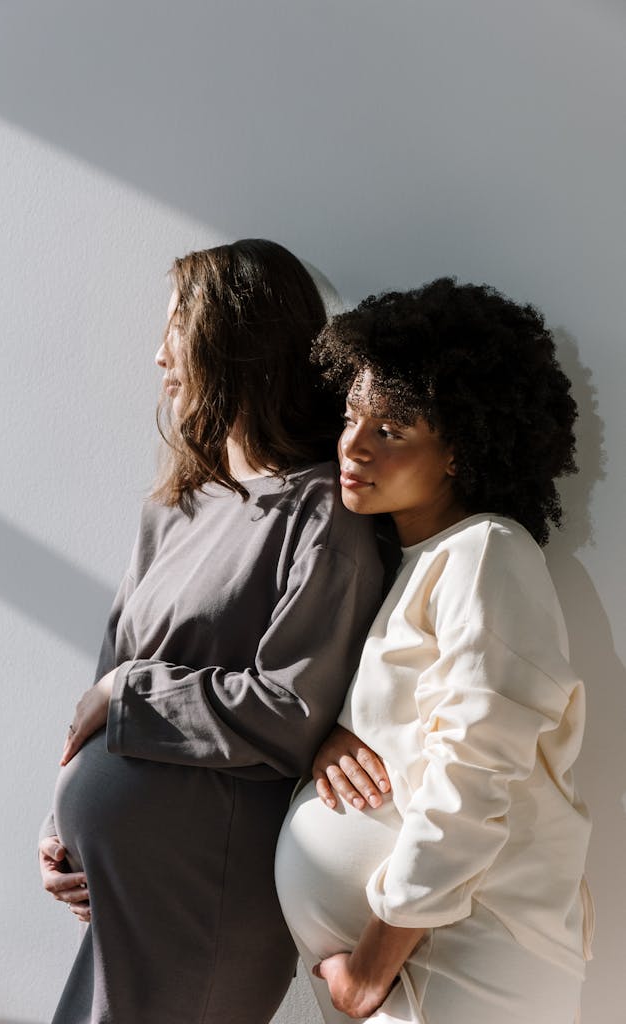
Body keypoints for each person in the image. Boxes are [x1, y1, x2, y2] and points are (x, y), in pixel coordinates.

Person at [37, 239, 384, 1024]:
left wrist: (131, 693)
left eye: (177, 331)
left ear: (238, 344)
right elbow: (97, 698)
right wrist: (60, 827)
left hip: (206, 891)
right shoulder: (176, 507)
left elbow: (292, 713)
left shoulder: (322, 512)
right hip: (122, 886)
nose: (160, 357)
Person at [275, 277, 593, 1024]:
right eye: (352, 417)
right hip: (418, 962)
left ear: (458, 448)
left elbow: (473, 775)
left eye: (390, 429)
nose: (352, 445)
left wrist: (366, 968)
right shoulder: (415, 564)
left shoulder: (487, 551)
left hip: (464, 954)